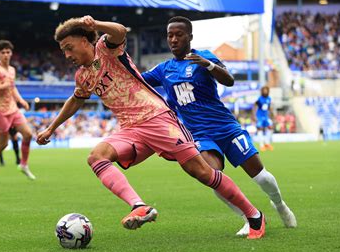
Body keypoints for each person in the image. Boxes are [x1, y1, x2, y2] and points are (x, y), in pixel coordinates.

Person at [37, 15, 265, 239]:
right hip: (131, 130)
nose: (67, 55)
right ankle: (139, 206)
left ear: (84, 40)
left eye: (69, 47)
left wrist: (95, 24)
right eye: (63, 51)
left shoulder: (105, 48)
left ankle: (254, 216)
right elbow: (76, 99)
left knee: (202, 172)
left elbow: (119, 31)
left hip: (158, 118)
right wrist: (51, 128)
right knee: (97, 157)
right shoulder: (83, 76)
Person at [142, 16, 296, 236]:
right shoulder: (163, 69)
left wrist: (209, 65)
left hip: (226, 128)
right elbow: (137, 80)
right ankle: (249, 217)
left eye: (179, 34)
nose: (173, 39)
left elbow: (229, 80)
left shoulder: (203, 56)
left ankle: (279, 205)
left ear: (190, 37)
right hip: (200, 134)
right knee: (212, 176)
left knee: (261, 176)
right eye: (170, 35)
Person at [0, 40, 35, 183]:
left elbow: (12, 87)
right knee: (3, 144)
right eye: (2, 52)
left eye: (8, 52)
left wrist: (21, 100)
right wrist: (0, 87)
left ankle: (23, 164)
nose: (5, 55)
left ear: (11, 53)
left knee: (28, 134)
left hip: (13, 108)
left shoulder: (12, 70)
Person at [253, 86, 274, 151]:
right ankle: (261, 145)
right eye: (264, 90)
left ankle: (267, 143)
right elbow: (255, 106)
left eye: (266, 90)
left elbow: (269, 107)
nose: (265, 91)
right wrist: (254, 115)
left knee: (270, 127)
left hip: (266, 116)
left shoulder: (269, 99)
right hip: (259, 116)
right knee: (260, 128)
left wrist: (272, 113)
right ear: (262, 91)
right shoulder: (260, 99)